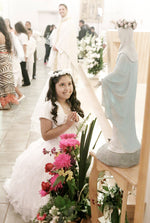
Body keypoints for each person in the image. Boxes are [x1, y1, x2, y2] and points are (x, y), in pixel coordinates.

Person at [4, 69, 84, 222]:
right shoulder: (49, 106)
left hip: (71, 150)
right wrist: (67, 125)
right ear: (54, 87)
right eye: (62, 85)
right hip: (52, 150)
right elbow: (46, 135)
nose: (67, 88)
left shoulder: (71, 103)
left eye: (69, 84)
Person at [96, 20, 141, 168]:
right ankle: (128, 144)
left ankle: (120, 147)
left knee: (120, 121)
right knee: (127, 121)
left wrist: (104, 80)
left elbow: (117, 76)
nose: (120, 37)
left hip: (122, 97)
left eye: (121, 34)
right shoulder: (133, 52)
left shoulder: (124, 54)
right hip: (128, 95)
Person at [47, 4, 78, 79]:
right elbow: (54, 35)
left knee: (63, 69)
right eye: (59, 9)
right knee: (56, 70)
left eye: (63, 9)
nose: (61, 11)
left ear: (67, 10)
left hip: (64, 51)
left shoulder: (70, 22)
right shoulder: (60, 22)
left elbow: (68, 37)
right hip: (57, 50)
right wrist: (54, 44)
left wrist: (58, 46)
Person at [0, 16, 18, 109]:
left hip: (1, 59)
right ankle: (7, 103)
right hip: (6, 58)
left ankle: (5, 105)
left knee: (2, 82)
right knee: (6, 81)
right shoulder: (6, 34)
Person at [5, 18, 25, 101]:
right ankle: (12, 97)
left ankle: (17, 96)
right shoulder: (6, 33)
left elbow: (14, 47)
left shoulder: (11, 33)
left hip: (12, 60)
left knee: (11, 80)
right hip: (9, 59)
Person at [15, 22, 30, 86]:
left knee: (23, 68)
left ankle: (27, 81)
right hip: (21, 54)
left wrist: (24, 55)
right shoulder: (20, 35)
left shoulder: (23, 35)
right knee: (23, 68)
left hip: (23, 54)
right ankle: (26, 80)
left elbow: (24, 45)